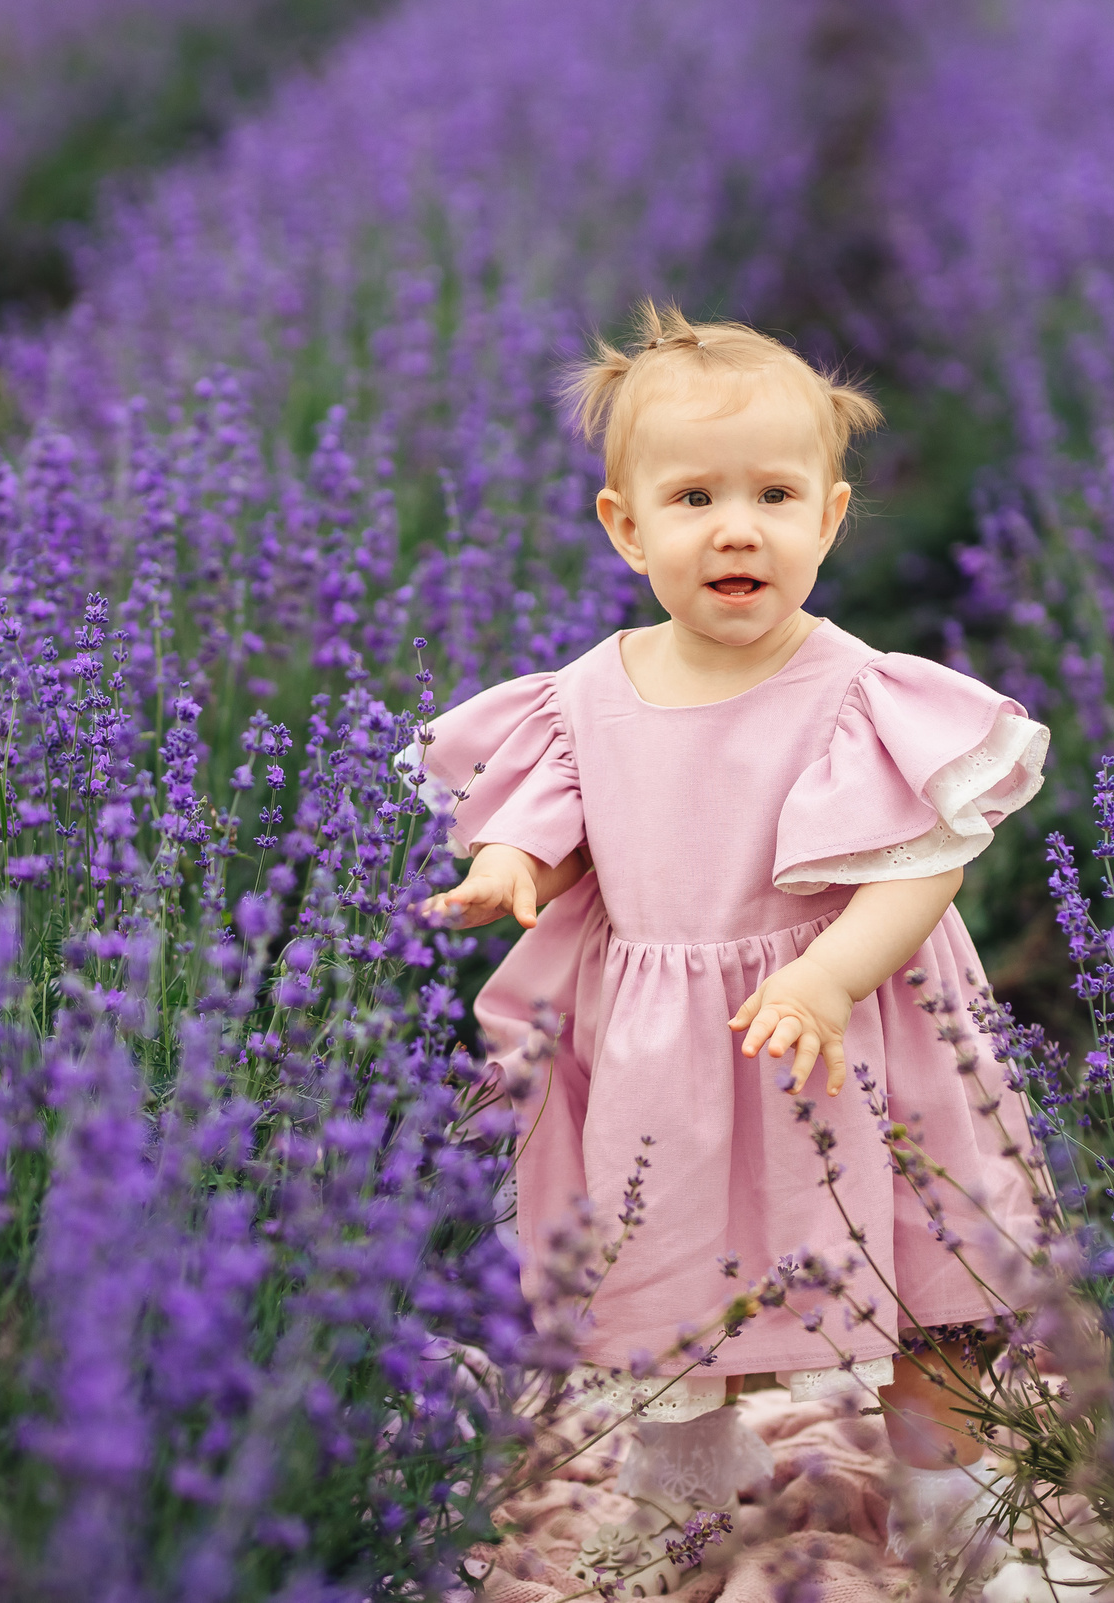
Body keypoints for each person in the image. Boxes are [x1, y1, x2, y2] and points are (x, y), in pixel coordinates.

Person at [406, 302, 1056, 1597]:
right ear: (625, 526)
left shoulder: (863, 692)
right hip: (671, 1061)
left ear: (830, 517)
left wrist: (828, 975)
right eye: (694, 498)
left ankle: (955, 1513)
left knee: (932, 1287)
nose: (736, 527)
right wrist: (510, 869)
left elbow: (926, 867)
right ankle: (680, 1491)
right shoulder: (584, 699)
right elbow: (555, 827)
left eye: (773, 495)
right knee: (664, 1291)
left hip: (864, 1038)